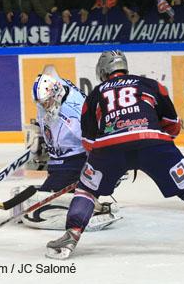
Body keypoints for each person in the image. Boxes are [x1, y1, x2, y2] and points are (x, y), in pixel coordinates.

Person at [45, 50, 184, 259]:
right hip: (154, 142)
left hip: (109, 147)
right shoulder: (151, 85)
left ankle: (71, 235)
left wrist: (109, 166)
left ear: (103, 71)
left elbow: (88, 143)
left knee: (86, 191)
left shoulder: (95, 94)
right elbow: (174, 127)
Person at [15, 68, 120, 231]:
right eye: (41, 103)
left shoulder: (75, 117)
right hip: (61, 162)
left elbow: (100, 139)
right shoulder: (53, 90)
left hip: (76, 164)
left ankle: (89, 211)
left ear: (56, 95)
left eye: (46, 103)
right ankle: (89, 202)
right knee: (23, 202)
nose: (44, 107)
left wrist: (109, 169)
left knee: (37, 212)